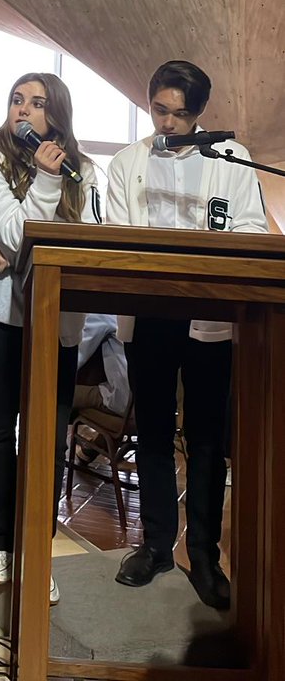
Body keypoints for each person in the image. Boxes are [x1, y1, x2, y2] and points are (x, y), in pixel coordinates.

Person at [107, 60, 269, 610]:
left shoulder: (230, 159)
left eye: (181, 114)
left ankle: (204, 554)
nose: (169, 123)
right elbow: (119, 234)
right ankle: (154, 545)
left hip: (210, 313)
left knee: (205, 437)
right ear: (149, 102)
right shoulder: (128, 162)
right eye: (160, 110)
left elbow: (251, 226)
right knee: (152, 430)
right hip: (150, 311)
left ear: (200, 113)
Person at [0, 72, 101, 603]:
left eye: (37, 104)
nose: (24, 111)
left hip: (54, 325)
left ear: (56, 115)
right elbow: (17, 235)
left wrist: (53, 186)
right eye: (17, 100)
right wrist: (41, 181)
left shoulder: (83, 171)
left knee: (48, 438)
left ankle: (37, 548)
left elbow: (90, 240)